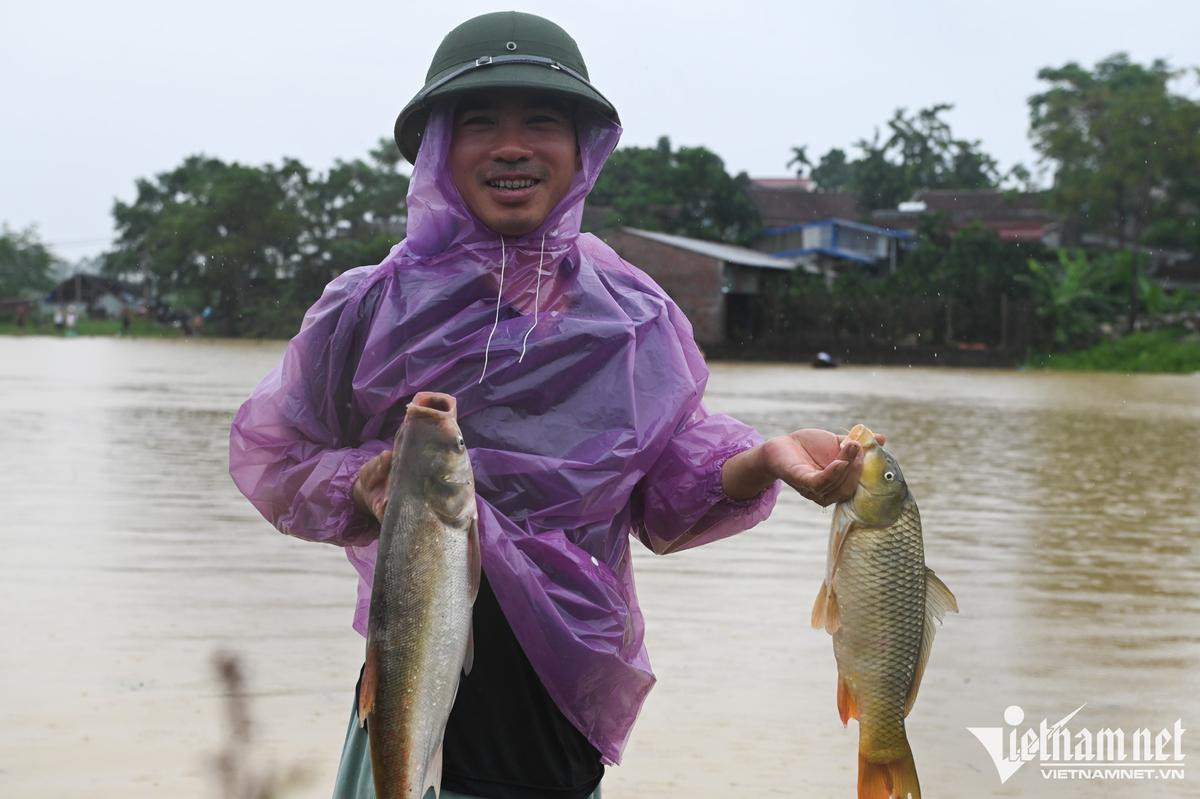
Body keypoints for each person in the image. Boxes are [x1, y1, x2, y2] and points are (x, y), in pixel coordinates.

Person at [229, 12, 871, 799]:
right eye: (479, 123)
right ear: (436, 146)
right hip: (412, 715)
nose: (511, 145)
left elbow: (669, 492)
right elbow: (277, 456)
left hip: (560, 732)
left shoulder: (632, 316)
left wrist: (764, 457)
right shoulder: (366, 309)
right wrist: (363, 481)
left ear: (581, 150)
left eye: (540, 120)